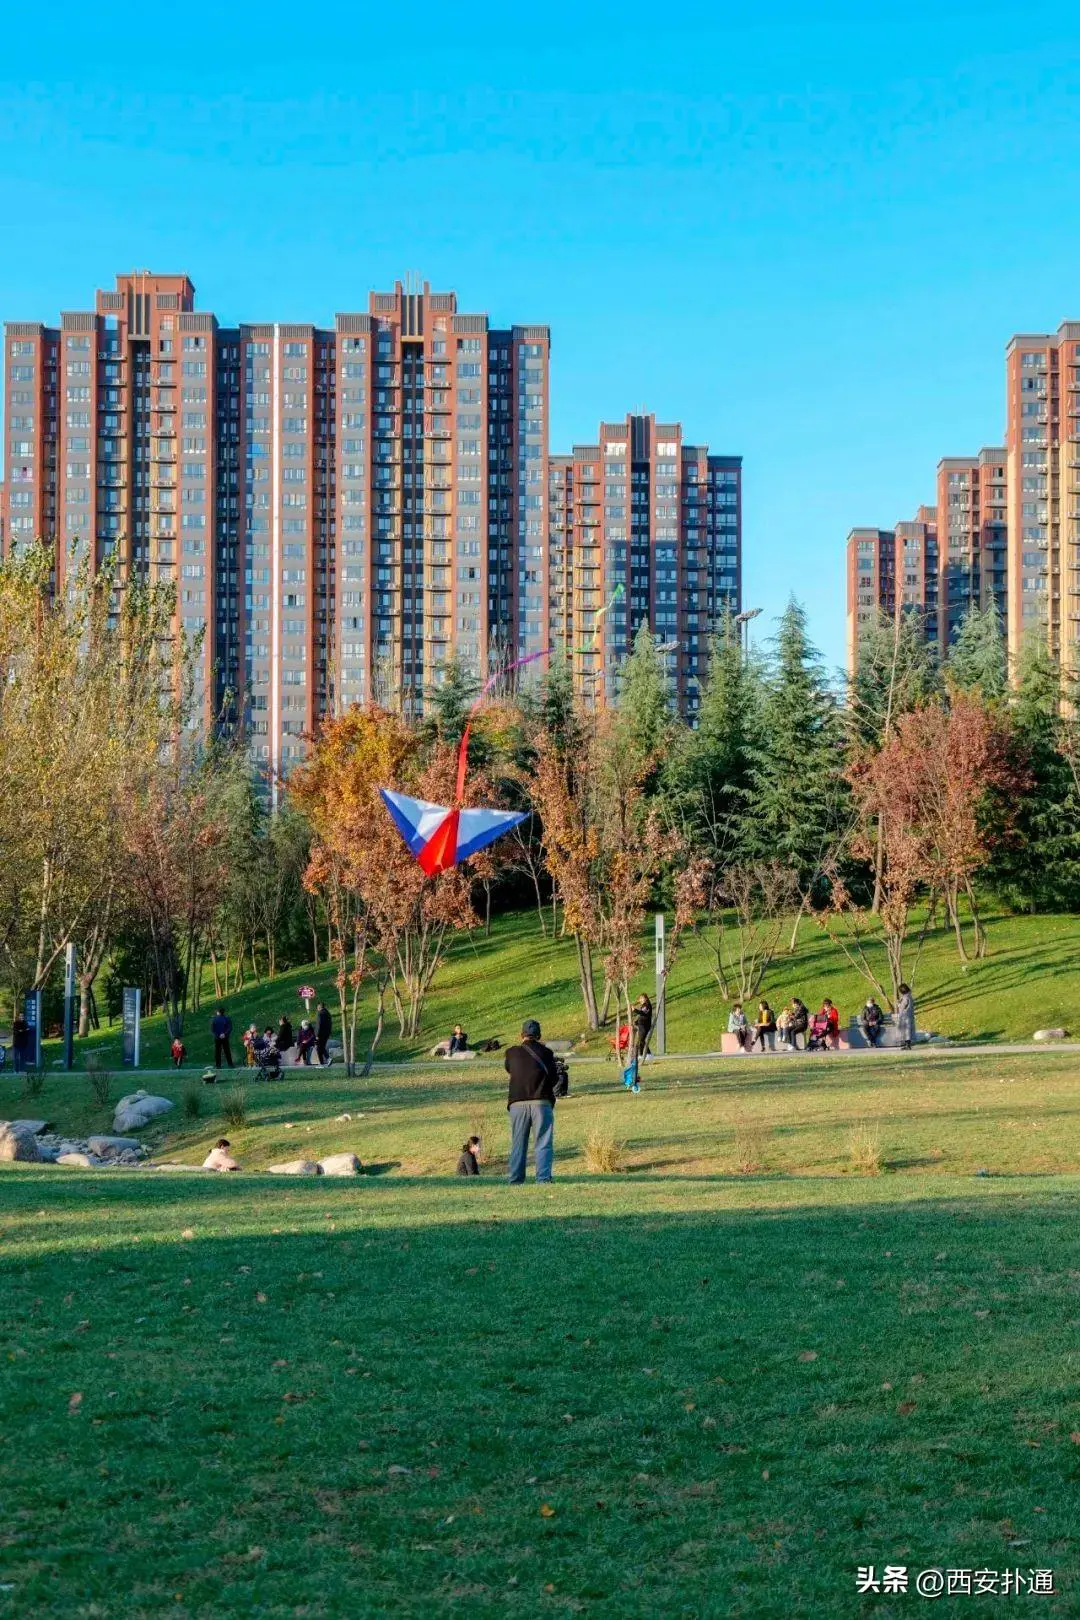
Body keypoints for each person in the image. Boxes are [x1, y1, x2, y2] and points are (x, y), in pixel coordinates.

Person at [504, 1018, 558, 1185]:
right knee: (542, 1141)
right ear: (539, 1036)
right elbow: (555, 1078)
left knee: (518, 1143)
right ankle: (543, 1179)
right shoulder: (547, 1053)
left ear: (522, 1035)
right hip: (541, 1102)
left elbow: (509, 1068)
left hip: (517, 1103)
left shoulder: (511, 1053)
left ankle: (516, 1179)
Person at [632, 993, 653, 1062]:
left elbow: (644, 1013)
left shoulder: (647, 1005)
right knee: (640, 1040)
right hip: (641, 1026)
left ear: (646, 998)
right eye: (640, 998)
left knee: (642, 1040)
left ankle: (649, 1054)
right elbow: (642, 1016)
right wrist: (636, 1022)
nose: (640, 1000)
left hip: (645, 1026)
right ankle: (640, 1055)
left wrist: (635, 1010)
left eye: (642, 998)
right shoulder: (643, 1006)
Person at [896, 984, 916, 1050]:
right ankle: (907, 1045)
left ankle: (908, 1045)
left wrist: (898, 1004)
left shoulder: (905, 997)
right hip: (909, 1015)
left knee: (906, 1031)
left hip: (905, 1016)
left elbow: (903, 1007)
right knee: (907, 1031)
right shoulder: (909, 996)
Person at [315, 1001, 333, 1066]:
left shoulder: (320, 1013)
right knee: (321, 1047)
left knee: (319, 1048)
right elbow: (330, 1024)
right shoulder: (328, 1013)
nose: (317, 1008)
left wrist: (317, 1034)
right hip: (326, 1033)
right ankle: (325, 1061)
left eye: (317, 1007)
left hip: (321, 1034)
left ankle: (323, 1062)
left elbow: (319, 1025)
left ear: (319, 1006)